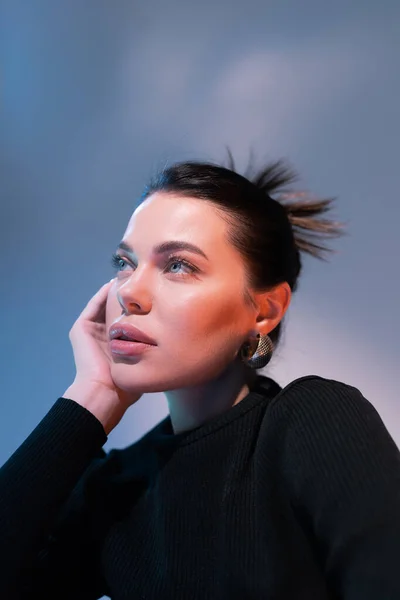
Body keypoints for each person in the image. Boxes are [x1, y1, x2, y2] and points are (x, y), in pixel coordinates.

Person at [1, 156, 400, 600]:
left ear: (264, 311)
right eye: (125, 262)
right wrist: (91, 396)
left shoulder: (312, 422)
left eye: (178, 265)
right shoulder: (117, 487)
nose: (128, 291)